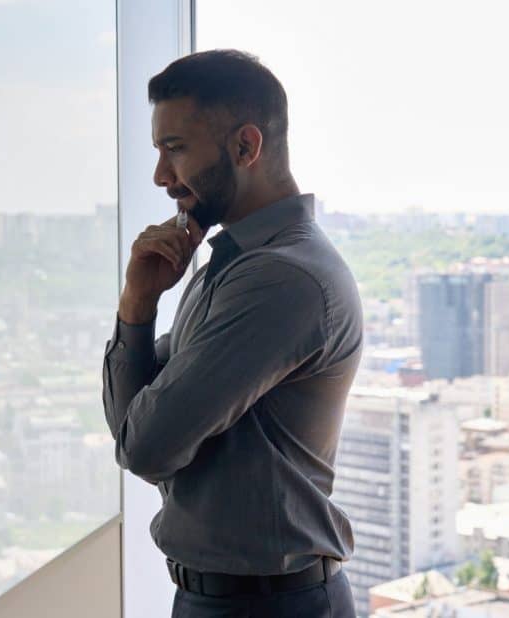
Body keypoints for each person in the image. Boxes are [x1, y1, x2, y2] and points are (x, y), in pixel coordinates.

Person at [102, 49, 362, 617]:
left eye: (175, 149)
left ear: (246, 146)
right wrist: (138, 302)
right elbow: (137, 426)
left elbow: (146, 447)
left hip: (271, 606)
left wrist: (140, 328)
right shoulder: (232, 264)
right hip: (227, 598)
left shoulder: (280, 278)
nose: (160, 176)